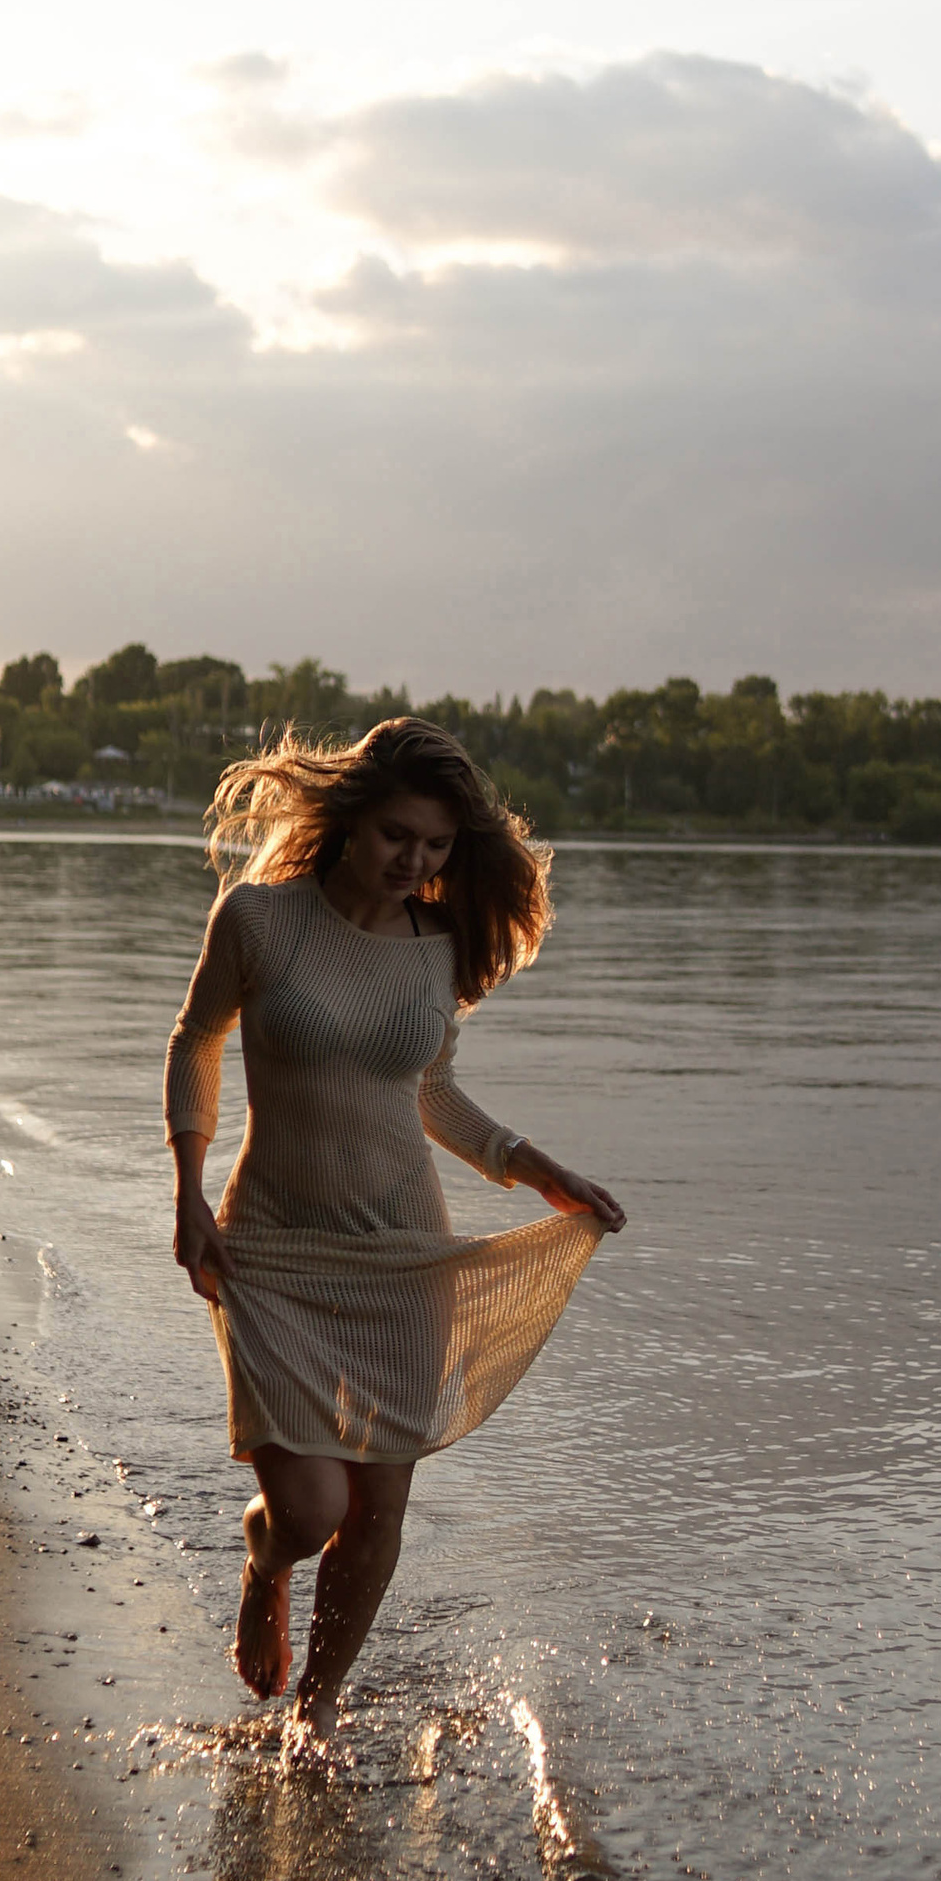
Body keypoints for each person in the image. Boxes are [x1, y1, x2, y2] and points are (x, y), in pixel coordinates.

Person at [165, 717, 625, 1733]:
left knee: (379, 1510)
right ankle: (263, 1555)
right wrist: (187, 1190)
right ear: (347, 822)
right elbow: (198, 1039)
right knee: (312, 1508)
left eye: (436, 845)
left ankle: (314, 1718)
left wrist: (531, 1166)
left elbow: (430, 1091)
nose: (414, 860)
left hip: (405, 1252)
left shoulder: (439, 947)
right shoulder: (259, 919)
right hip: (273, 1247)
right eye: (396, 837)